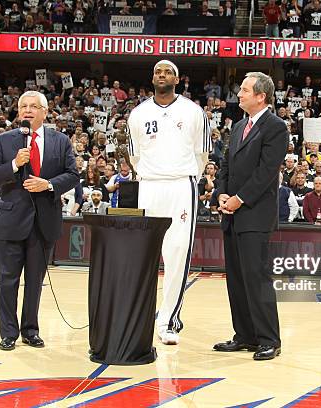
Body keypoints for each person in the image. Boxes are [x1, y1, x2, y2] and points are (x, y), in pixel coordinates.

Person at [0, 91, 79, 351]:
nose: (28, 110)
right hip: (12, 220)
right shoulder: (4, 141)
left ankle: (30, 330)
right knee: (7, 280)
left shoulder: (60, 141)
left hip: (43, 221)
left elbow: (73, 175)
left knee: (35, 282)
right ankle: (8, 333)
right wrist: (15, 164)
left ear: (45, 112)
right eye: (23, 106)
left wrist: (47, 184)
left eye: (34, 106)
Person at [127, 60, 210, 346]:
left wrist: (183, 177)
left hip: (180, 186)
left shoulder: (194, 112)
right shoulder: (138, 114)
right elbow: (134, 157)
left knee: (177, 253)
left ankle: (168, 321)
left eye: (167, 72)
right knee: (143, 255)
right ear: (152, 79)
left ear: (178, 79)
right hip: (148, 185)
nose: (161, 75)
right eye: (157, 72)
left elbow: (202, 156)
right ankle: (140, 316)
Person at [214, 71, 288, 361]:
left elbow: (266, 173)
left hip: (254, 216)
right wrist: (220, 193)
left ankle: (269, 338)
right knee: (236, 279)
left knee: (257, 278)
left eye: (244, 90)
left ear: (261, 96)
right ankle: (244, 335)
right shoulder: (239, 125)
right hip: (231, 214)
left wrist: (238, 199)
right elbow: (225, 166)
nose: (239, 94)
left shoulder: (276, 127)